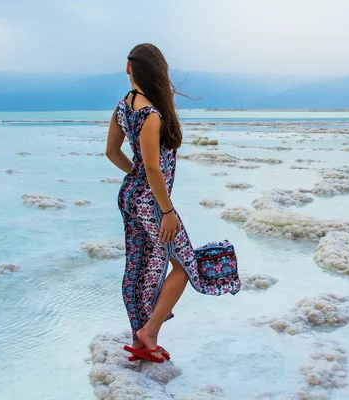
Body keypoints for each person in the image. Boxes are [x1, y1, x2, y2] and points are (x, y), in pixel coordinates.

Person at [105, 43, 240, 363]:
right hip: (152, 204)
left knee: (144, 267)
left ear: (128, 68)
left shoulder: (122, 107)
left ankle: (141, 338)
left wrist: (136, 179)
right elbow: (153, 168)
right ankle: (148, 332)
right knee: (184, 265)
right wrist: (166, 210)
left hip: (129, 198)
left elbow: (112, 152)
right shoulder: (151, 115)